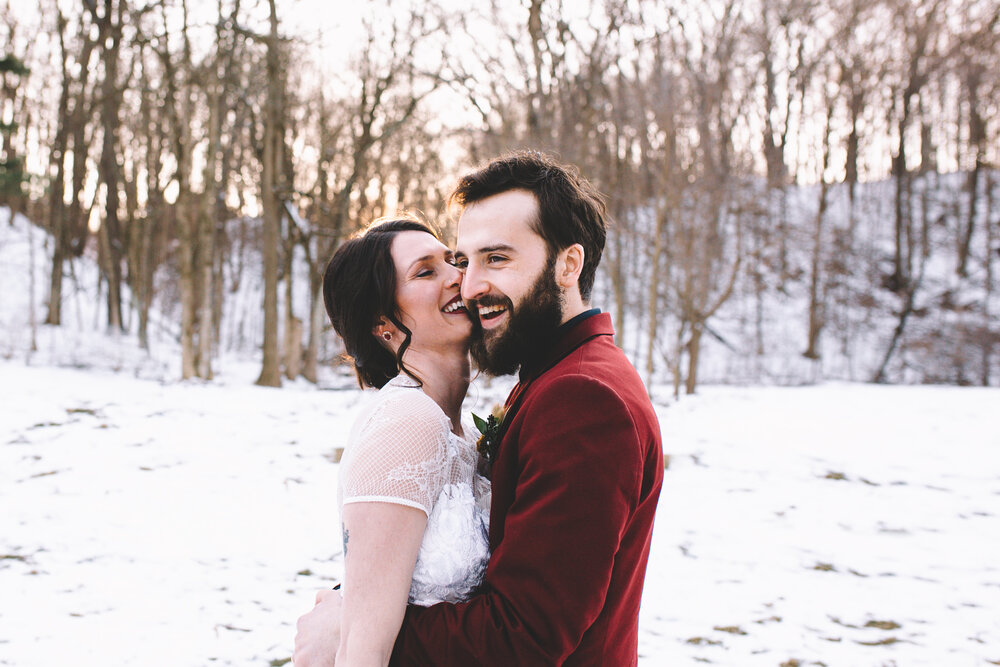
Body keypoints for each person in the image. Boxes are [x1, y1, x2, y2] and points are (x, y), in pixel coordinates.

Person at [296, 151, 664, 666]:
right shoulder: (547, 380)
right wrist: (359, 614)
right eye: (463, 261)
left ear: (568, 264)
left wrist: (352, 632)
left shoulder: (583, 398)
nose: (467, 285)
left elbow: (523, 636)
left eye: (496, 259)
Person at [294, 217, 491, 666]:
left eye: (453, 260)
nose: (457, 276)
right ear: (384, 325)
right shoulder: (407, 420)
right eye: (426, 272)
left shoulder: (462, 429)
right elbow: (363, 650)